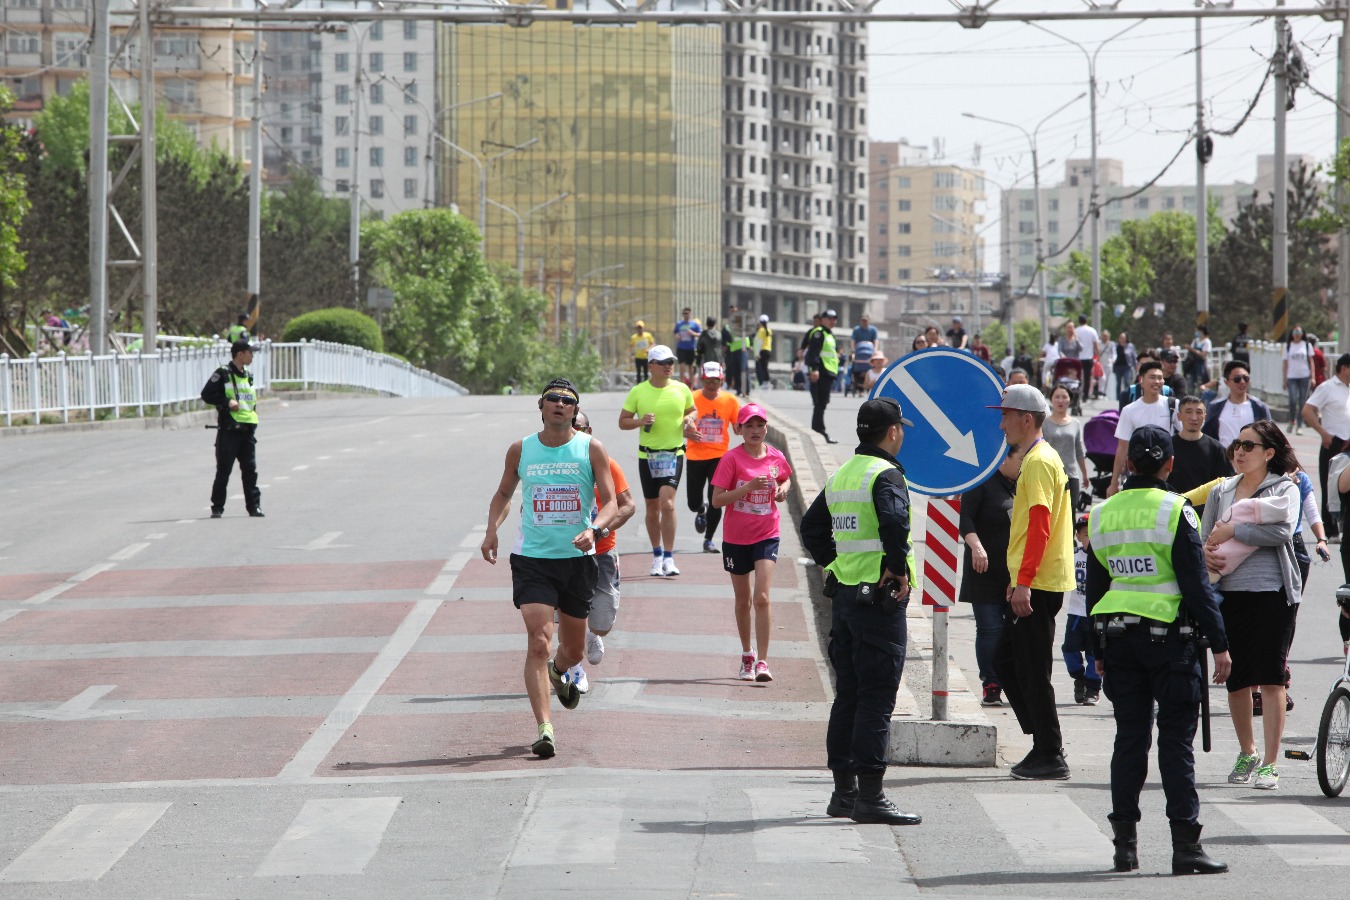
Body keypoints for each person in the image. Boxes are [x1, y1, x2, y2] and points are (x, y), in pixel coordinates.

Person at [1087, 424, 1232, 876]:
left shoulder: (1103, 513)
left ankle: (1124, 847)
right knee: (1174, 743)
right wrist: (1222, 645)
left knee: (1129, 739)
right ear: (1170, 464)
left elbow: (1094, 588)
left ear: (1129, 465)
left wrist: (1096, 647)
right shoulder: (1176, 511)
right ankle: (1185, 847)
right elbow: (1195, 584)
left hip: (1117, 637)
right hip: (1171, 642)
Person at [480, 379, 618, 759]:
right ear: (540, 406)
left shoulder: (591, 448)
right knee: (539, 640)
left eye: (567, 401)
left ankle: (560, 672)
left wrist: (594, 529)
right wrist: (492, 530)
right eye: (553, 399)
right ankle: (545, 728)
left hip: (577, 562)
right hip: (533, 561)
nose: (560, 404)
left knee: (572, 649)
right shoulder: (521, 449)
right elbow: (505, 493)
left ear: (575, 410)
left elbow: (609, 503)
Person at [800, 397, 921, 826]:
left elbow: (811, 528)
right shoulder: (885, 474)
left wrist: (833, 565)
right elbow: (895, 523)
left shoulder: (843, 475)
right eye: (901, 428)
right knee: (876, 698)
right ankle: (871, 796)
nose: (901, 434)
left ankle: (844, 794)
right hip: (878, 603)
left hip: (848, 601)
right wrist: (896, 569)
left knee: (848, 694)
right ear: (892, 432)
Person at [1201, 420, 1302, 791]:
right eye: (1236, 445)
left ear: (1269, 453)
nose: (1239, 452)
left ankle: (1271, 764)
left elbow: (1282, 531)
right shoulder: (1221, 491)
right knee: (1237, 679)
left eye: (1249, 445)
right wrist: (1206, 555)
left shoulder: (1283, 489)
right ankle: (1248, 751)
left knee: (1272, 677)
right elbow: (1205, 534)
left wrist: (1234, 531)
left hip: (1273, 593)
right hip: (1228, 594)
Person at [989, 384, 1076, 780]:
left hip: (1039, 580)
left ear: (1027, 419)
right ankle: (1042, 739)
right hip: (1031, 577)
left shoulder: (1039, 460)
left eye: (1006, 415)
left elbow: (1040, 525)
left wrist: (1023, 581)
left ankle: (1049, 751)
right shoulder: (1036, 457)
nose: (1002, 422)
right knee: (1007, 661)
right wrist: (1016, 578)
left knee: (1031, 668)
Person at [712, 403, 793, 682]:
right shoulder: (731, 459)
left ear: (766, 428)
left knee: (762, 597)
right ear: (740, 430)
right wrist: (747, 488)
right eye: (749, 426)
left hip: (767, 532)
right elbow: (717, 499)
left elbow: (785, 478)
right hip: (736, 537)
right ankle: (746, 653)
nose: (755, 431)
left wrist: (782, 490)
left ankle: (763, 661)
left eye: (760, 425)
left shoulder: (775, 456)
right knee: (743, 598)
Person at [566, 411, 637, 694]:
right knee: (566, 613)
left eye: (578, 427)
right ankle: (574, 668)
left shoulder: (606, 464)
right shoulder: (554, 466)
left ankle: (594, 635)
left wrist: (601, 530)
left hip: (602, 551)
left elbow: (628, 505)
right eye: (568, 426)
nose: (572, 431)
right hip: (565, 554)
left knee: (603, 621)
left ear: (589, 430)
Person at [619, 344, 697, 577]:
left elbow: (693, 410)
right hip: (648, 456)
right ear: (650, 365)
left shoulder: (682, 389)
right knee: (652, 507)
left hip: (673, 453)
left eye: (670, 362)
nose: (668, 367)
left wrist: (689, 421)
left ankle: (670, 558)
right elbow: (623, 422)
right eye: (663, 363)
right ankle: (657, 555)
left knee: (668, 504)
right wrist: (641, 421)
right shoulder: (638, 391)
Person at [960, 443, 1026, 707]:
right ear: (1003, 459)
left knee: (1014, 632)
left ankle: (1014, 681)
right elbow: (965, 519)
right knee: (990, 628)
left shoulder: (1022, 485)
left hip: (1014, 573)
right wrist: (976, 546)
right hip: (984, 571)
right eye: (1020, 459)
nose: (1023, 465)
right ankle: (991, 683)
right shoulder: (982, 483)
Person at [200, 340, 265, 519]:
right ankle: (217, 507)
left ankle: (254, 507)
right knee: (224, 470)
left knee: (250, 471)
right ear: (240, 354)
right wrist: (226, 402)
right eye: (250, 352)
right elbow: (207, 394)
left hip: (247, 431)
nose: (253, 355)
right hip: (230, 430)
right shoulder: (223, 374)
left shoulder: (248, 375)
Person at [686, 362, 740, 554]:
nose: (711, 384)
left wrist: (749, 425)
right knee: (693, 502)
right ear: (702, 379)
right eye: (708, 380)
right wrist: (687, 433)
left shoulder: (730, 401)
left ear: (722, 381)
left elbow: (737, 426)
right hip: (695, 455)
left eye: (715, 380)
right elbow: (680, 425)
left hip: (719, 457)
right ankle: (701, 510)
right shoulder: (691, 398)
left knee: (716, 499)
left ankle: (709, 539)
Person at [1301, 352, 1350, 542]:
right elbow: (1307, 410)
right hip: (1334, 442)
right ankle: (1330, 530)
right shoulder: (1327, 387)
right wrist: (1323, 433)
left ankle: (1345, 525)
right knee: (1331, 486)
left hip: (1349, 443)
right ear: (1344, 368)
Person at [1109, 361, 1178, 496]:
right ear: (1141, 380)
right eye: (1152, 377)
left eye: (1160, 378)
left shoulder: (1173, 405)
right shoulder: (1129, 410)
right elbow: (1122, 447)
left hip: (1166, 473)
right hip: (1139, 473)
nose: (1157, 381)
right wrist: (1113, 482)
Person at [1062, 514, 1100, 706]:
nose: (1090, 538)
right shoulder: (1073, 556)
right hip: (1076, 612)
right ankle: (1079, 678)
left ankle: (1093, 688)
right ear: (1077, 535)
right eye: (1086, 534)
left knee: (1095, 652)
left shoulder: (1103, 557)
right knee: (1069, 648)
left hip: (1095, 613)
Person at [1170, 396, 1233, 508]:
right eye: (1188, 412)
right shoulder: (1168, 446)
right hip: (1172, 508)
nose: (1194, 417)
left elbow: (1227, 483)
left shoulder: (1216, 448)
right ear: (1179, 416)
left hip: (1205, 514)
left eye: (1199, 412)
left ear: (1205, 416)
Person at [1202, 360, 1273, 447]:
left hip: (1252, 459)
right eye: (1237, 379)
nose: (1242, 382)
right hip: (1224, 459)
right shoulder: (1216, 407)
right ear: (1226, 382)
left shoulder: (1259, 407)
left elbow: (1270, 437)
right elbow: (1207, 437)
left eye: (1246, 378)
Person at [1045, 385, 1089, 511]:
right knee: (1051, 513)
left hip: (1070, 474)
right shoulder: (1044, 423)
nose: (1060, 401)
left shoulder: (1075, 423)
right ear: (1051, 399)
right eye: (1057, 397)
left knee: (1070, 514)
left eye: (1064, 397)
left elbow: (1079, 450)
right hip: (1049, 474)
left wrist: (1085, 474)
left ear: (1070, 400)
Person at [804, 308, 841, 443]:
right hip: (821, 372)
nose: (833, 321)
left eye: (834, 319)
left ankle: (818, 431)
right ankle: (819, 431)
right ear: (823, 320)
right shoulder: (819, 334)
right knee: (819, 403)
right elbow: (813, 353)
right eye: (830, 318)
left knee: (822, 403)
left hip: (828, 372)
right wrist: (814, 369)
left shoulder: (830, 335)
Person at [1282, 325, 1312, 434]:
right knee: (1293, 400)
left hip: (1304, 376)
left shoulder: (1306, 345)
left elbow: (1311, 361)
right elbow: (1285, 363)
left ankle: (1300, 425)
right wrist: (1284, 379)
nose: (1297, 334)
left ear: (1302, 334)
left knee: (1302, 401)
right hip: (1292, 377)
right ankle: (1292, 421)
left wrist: (1312, 377)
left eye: (1299, 332)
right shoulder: (1288, 346)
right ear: (1292, 334)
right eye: (1295, 332)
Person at [673, 307, 702, 384]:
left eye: (687, 313)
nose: (685, 315)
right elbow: (675, 332)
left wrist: (693, 334)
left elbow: (700, 334)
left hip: (690, 348)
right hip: (681, 348)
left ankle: (691, 386)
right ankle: (682, 384)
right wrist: (677, 336)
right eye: (684, 313)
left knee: (691, 368)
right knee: (682, 367)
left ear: (690, 314)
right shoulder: (679, 324)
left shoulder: (694, 324)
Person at [1074, 314, 1100, 397]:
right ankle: (1086, 394)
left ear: (1079, 321)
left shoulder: (1076, 331)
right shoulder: (1092, 331)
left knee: (1078, 376)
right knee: (1087, 377)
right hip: (1089, 357)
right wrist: (1097, 356)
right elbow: (1095, 345)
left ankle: (1077, 392)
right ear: (1086, 321)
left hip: (1078, 357)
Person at [1185, 326, 1212, 394]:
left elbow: (1203, 355)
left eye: (1197, 331)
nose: (1196, 333)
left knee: (1201, 385)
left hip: (1201, 366)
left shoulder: (1207, 341)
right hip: (1192, 365)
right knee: (1190, 386)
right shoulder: (1195, 341)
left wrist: (1192, 350)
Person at [1112, 331, 1137, 402]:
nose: (1122, 339)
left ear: (1126, 338)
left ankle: (1127, 396)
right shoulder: (1116, 346)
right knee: (1118, 383)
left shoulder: (1130, 346)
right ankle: (1118, 398)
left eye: (1123, 338)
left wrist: (1136, 366)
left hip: (1127, 366)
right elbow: (1113, 355)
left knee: (1127, 381)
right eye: (1120, 337)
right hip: (1118, 367)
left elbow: (1134, 356)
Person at [754, 314, 773, 389]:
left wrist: (758, 353)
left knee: (763, 367)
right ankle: (766, 382)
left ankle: (766, 382)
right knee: (765, 367)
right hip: (768, 350)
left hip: (763, 350)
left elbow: (759, 342)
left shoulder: (761, 330)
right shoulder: (769, 330)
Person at [1097, 329, 1116, 399]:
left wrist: (1112, 360)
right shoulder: (1098, 343)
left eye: (1106, 336)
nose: (1104, 337)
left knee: (1107, 379)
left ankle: (1105, 393)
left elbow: (1114, 353)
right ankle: (1100, 391)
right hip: (1101, 363)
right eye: (1103, 336)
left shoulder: (1111, 344)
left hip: (1108, 364)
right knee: (1102, 378)